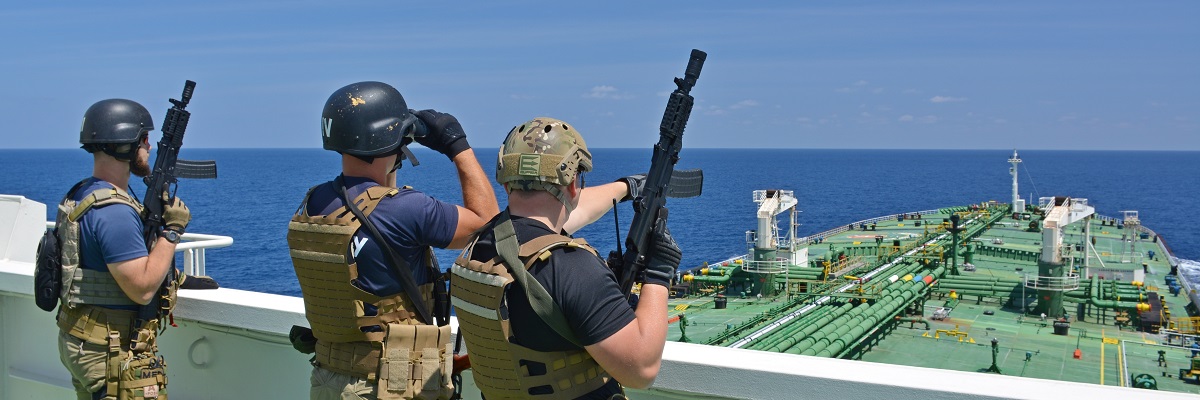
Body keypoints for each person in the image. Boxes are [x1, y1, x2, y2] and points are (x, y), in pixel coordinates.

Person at [288, 81, 498, 400]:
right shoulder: (404, 209)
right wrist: (458, 146)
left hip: (329, 378)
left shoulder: (315, 202)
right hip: (388, 385)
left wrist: (390, 152)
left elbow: (370, 207)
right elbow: (487, 224)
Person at [450, 117, 682, 399]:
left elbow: (553, 216)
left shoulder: (481, 244)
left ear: (506, 180)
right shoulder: (572, 268)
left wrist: (627, 187)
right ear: (573, 184)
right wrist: (658, 274)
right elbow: (641, 370)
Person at [55, 99, 190, 399]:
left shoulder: (83, 194)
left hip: (83, 340)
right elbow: (141, 288)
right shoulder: (114, 212)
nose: (149, 147)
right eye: (144, 139)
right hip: (108, 352)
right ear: (123, 145)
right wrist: (172, 231)